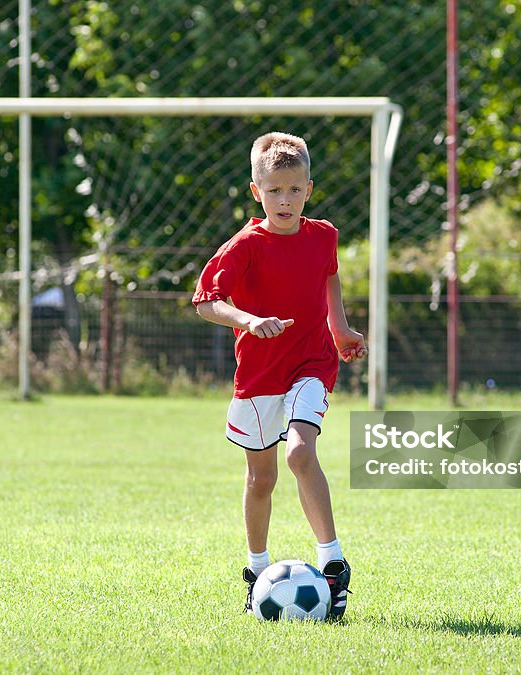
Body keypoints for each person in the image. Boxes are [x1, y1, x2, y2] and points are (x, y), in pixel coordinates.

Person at [191, 131, 367, 620]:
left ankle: (333, 563)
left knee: (300, 452)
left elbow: (328, 276)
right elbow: (206, 302)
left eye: (293, 189)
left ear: (309, 189)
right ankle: (256, 572)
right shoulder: (244, 245)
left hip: (310, 365)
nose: (284, 200)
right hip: (257, 378)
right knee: (260, 479)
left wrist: (341, 331)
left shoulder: (323, 235)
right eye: (274, 190)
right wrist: (249, 321)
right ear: (256, 191)